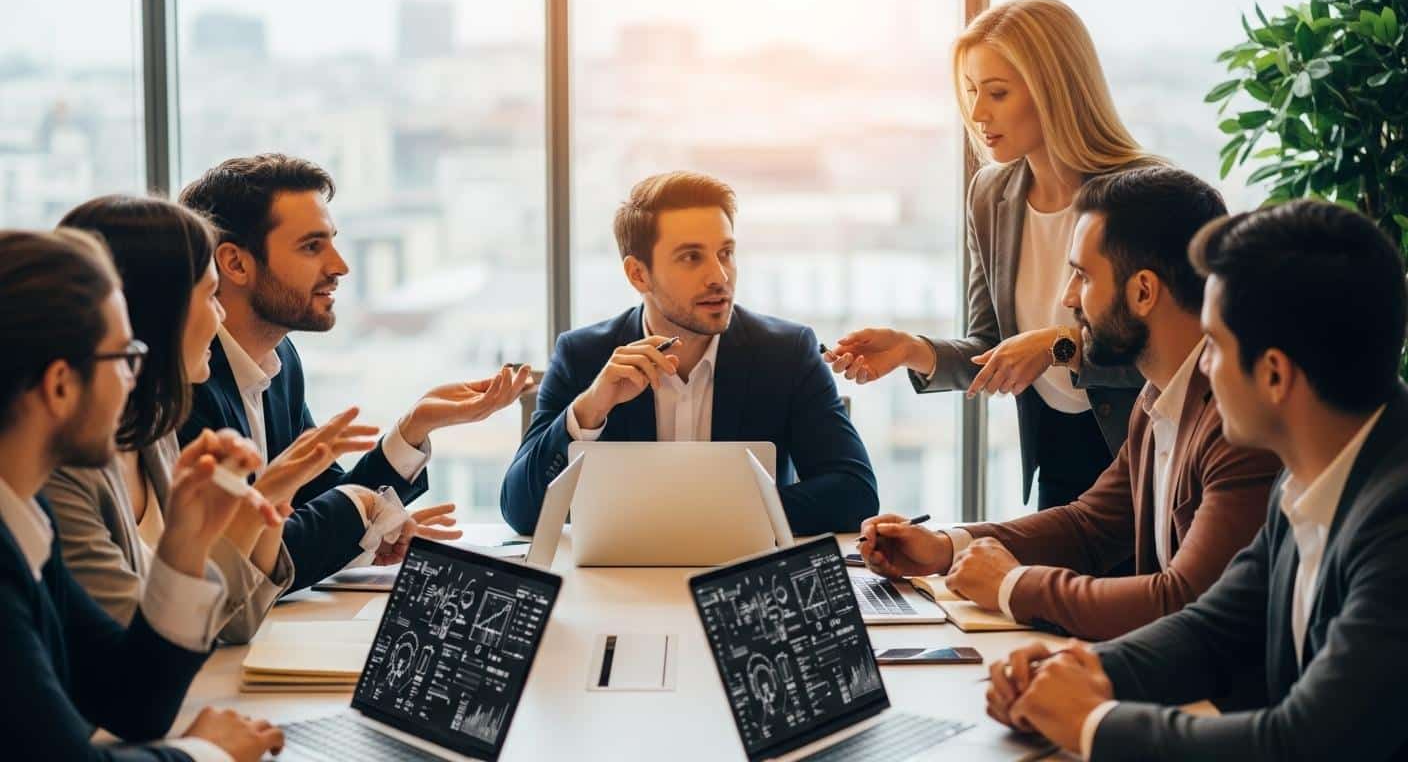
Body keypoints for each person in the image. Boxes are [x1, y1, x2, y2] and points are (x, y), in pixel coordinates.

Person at [985, 200, 1408, 760]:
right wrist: (1079, 669)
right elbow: (1211, 630)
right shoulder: (1306, 479)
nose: (1202, 366)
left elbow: (1306, 740)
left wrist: (1092, 724)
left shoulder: (1397, 524)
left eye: (1214, 345)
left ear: (1275, 374)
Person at [858, 168, 1281, 640]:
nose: (1067, 298)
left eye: (1082, 275)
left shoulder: (1238, 421)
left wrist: (1013, 585)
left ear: (1143, 291)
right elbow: (1088, 527)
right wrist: (944, 547)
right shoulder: (1157, 398)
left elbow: (1183, 601)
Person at [827, 0, 1160, 510]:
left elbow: (1180, 357)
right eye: (972, 92)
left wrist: (1060, 346)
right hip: (1058, 462)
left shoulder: (1147, 197)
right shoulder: (991, 195)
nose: (978, 113)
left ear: (1055, 89)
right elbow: (993, 345)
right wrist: (912, 350)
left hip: (1148, 462)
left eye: (998, 93)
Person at [0, 229, 284, 761]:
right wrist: (205, 753)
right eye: (125, 357)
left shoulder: (27, 513)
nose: (136, 378)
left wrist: (184, 547)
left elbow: (132, 702)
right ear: (61, 385)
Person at [178, 154, 513, 588]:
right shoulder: (188, 383)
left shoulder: (281, 359)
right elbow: (248, 558)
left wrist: (411, 431)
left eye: (332, 242)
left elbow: (318, 497)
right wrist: (366, 517)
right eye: (311, 246)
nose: (340, 266)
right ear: (236, 264)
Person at [500, 170, 878, 535]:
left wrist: (707, 514)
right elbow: (521, 512)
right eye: (691, 257)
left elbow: (855, 494)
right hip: (620, 587)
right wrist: (590, 410)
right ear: (638, 275)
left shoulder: (786, 353)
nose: (720, 276)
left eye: (726, 253)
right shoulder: (584, 355)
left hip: (744, 578)